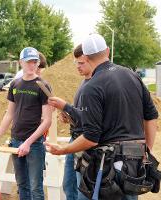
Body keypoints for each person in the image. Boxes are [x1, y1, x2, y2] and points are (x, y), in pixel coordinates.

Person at [46, 34, 159, 200]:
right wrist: (145, 150)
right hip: (133, 163)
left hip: (106, 169)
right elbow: (151, 116)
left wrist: (63, 150)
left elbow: (91, 138)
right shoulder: (133, 76)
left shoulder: (92, 87)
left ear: (86, 56)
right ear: (107, 50)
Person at [0, 47, 52, 200]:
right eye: (28, 62)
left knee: (36, 188)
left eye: (35, 62)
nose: (32, 65)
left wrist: (28, 143)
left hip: (34, 144)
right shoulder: (15, 85)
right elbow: (9, 114)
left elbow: (47, 120)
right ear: (20, 62)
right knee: (22, 185)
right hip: (15, 141)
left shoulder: (42, 86)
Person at [57, 44, 92, 200]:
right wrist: (68, 116)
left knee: (81, 190)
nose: (77, 66)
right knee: (68, 185)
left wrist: (66, 107)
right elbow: (81, 115)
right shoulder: (83, 83)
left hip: (85, 144)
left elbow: (91, 120)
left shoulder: (96, 85)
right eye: (76, 62)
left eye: (81, 63)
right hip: (75, 138)